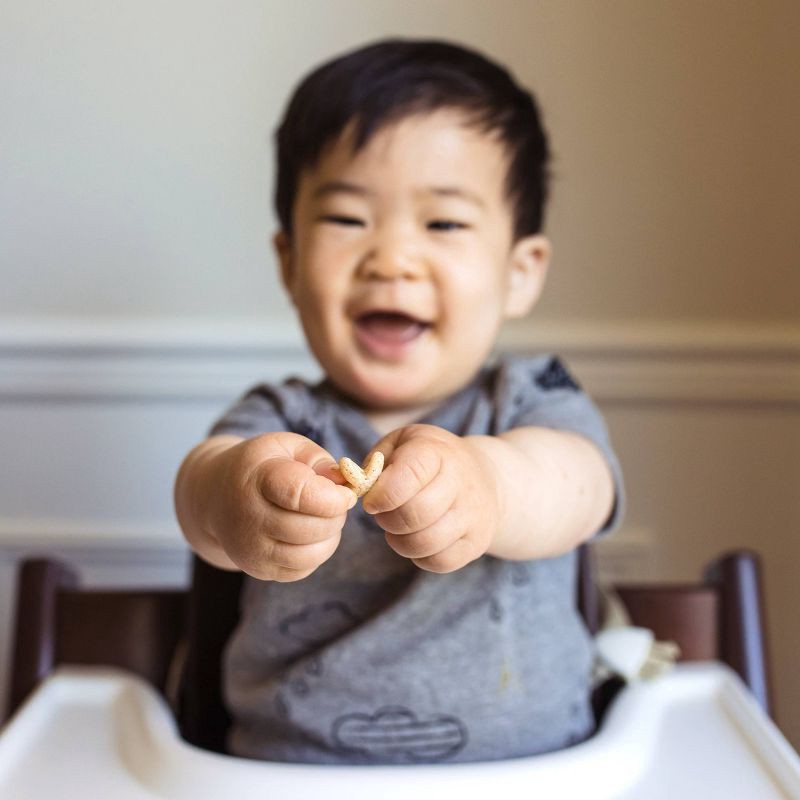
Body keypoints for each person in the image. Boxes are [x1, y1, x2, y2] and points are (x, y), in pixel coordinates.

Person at [174, 37, 624, 764]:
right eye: (348, 219)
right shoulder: (282, 421)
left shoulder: (530, 399)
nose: (391, 258)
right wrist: (235, 495)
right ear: (289, 262)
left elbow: (582, 484)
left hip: (534, 773)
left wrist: (489, 486)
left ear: (519, 271)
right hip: (289, 774)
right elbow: (199, 493)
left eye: (443, 223)